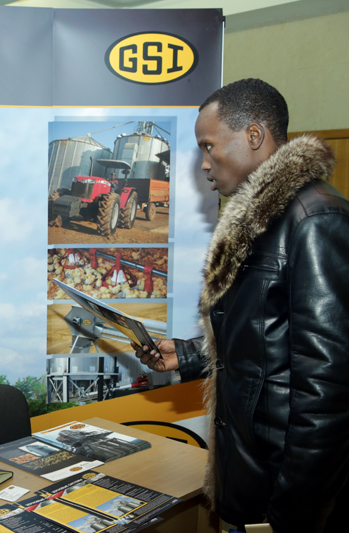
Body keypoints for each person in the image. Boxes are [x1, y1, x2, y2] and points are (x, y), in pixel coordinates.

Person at [134, 79, 349, 532]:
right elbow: (266, 342)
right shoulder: (260, 221)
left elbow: (328, 391)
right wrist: (188, 355)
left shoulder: (315, 220)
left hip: (284, 501)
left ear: (253, 136)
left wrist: (291, 515)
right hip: (252, 483)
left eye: (209, 147)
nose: (204, 164)